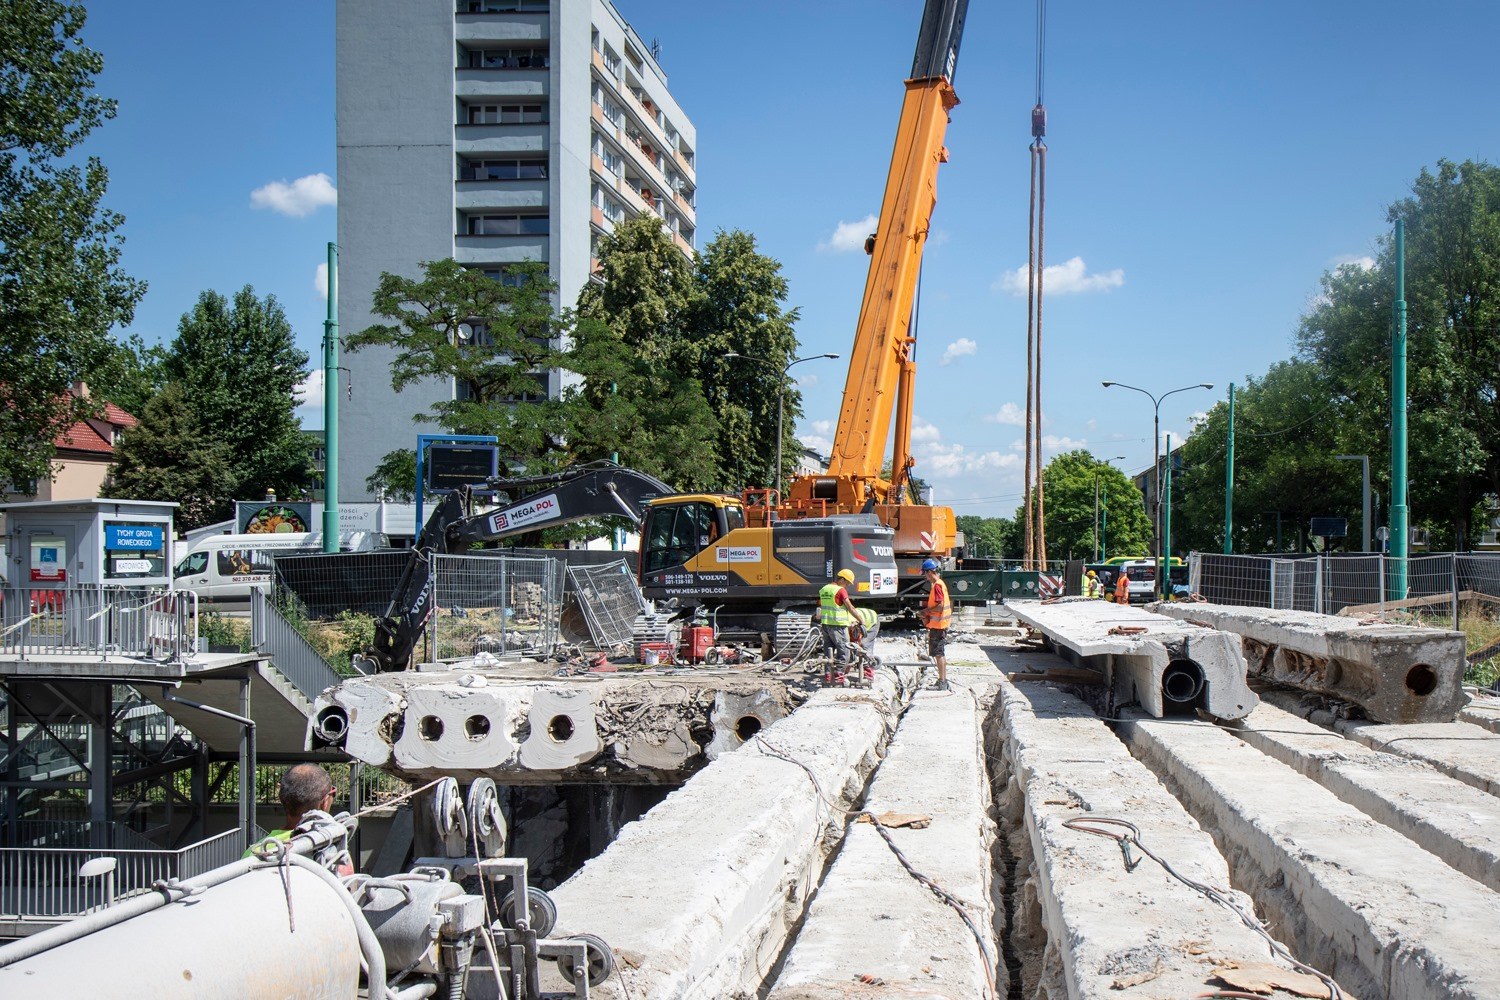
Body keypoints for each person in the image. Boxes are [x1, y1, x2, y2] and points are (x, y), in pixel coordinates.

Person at [246, 764, 354, 875]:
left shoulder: (253, 853)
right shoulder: (332, 851)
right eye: (333, 793)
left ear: (281, 798)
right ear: (325, 802)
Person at [814, 568, 858, 685]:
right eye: (847, 582)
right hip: (838, 625)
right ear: (842, 579)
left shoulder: (824, 589)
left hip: (825, 625)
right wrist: (861, 620)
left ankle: (828, 676)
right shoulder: (840, 590)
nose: (848, 585)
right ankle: (839, 676)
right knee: (844, 651)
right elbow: (850, 607)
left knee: (828, 651)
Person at [921, 558, 951, 690]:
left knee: (939, 653)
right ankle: (942, 681)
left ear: (929, 572)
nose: (925, 577)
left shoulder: (937, 585)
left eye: (925, 574)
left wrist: (926, 611)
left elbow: (939, 606)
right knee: (940, 653)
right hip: (939, 624)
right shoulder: (939, 584)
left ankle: (942, 682)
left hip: (938, 625)